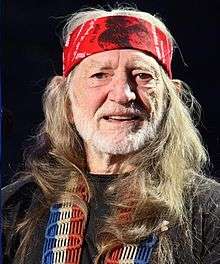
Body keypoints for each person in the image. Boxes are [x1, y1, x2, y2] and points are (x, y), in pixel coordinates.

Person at [2, 6, 220, 264]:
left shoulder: (210, 211)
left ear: (169, 99)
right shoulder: (15, 208)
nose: (123, 94)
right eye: (100, 75)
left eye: (142, 76)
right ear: (67, 102)